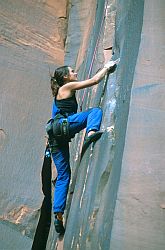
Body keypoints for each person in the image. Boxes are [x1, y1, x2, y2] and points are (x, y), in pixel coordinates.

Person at [47, 59, 118, 234]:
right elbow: (93, 81)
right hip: (65, 128)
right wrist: (106, 68)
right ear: (65, 77)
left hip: (56, 140)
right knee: (95, 112)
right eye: (72, 72)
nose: (75, 73)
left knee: (64, 175)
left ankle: (58, 213)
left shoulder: (59, 94)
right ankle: (91, 132)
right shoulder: (66, 88)